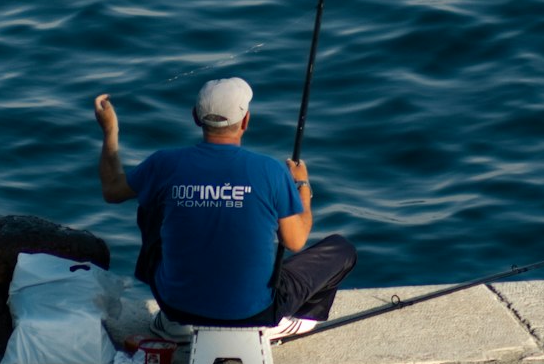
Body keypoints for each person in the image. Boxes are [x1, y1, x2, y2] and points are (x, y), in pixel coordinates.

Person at [93, 77, 356, 341]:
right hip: (254, 312)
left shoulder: (164, 164)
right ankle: (281, 323)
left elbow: (112, 191)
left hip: (176, 306)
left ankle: (175, 326)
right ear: (246, 121)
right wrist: (302, 186)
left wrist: (110, 131)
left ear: (196, 117)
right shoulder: (271, 170)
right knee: (342, 250)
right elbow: (295, 240)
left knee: (149, 202)